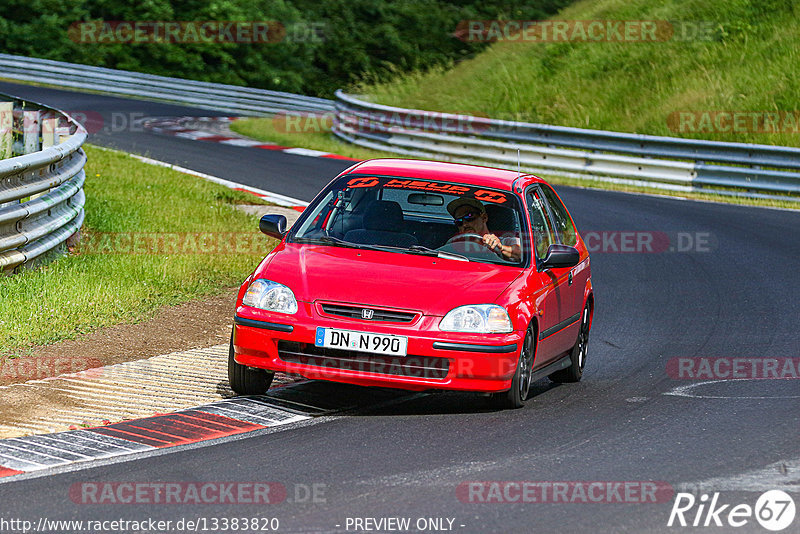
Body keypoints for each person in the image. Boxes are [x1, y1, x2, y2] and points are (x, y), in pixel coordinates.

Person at [446, 198, 521, 262]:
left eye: (469, 217)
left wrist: (500, 248)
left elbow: (523, 254)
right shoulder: (454, 246)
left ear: (484, 218)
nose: (465, 224)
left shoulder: (505, 242)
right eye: (459, 221)